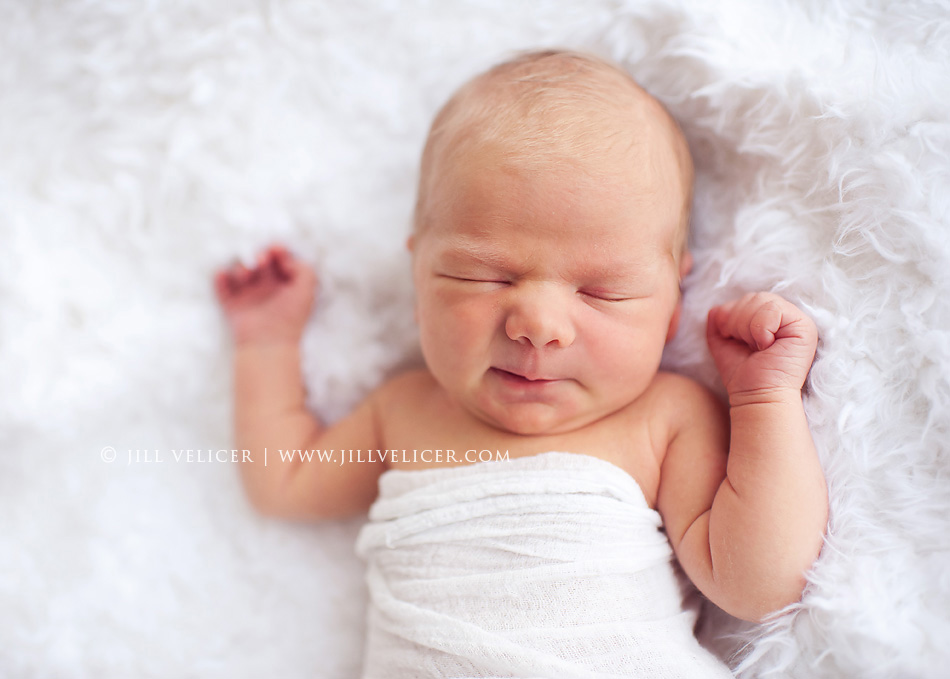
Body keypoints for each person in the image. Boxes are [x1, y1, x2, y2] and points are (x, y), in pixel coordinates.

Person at [214, 49, 828, 678]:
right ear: (419, 279)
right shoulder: (403, 411)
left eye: (600, 292)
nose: (537, 326)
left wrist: (764, 403)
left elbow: (759, 584)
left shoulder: (664, 420)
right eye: (482, 276)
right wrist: (266, 343)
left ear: (672, 304)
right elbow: (282, 480)